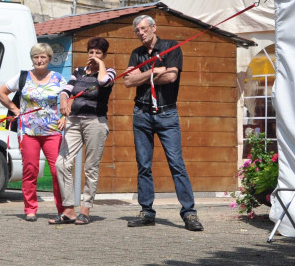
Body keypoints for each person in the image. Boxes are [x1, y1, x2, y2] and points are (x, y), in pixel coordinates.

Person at [123, 15, 203, 231]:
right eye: (137, 30)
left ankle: (189, 213)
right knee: (144, 165)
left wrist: (144, 75)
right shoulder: (136, 54)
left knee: (176, 164)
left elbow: (171, 77)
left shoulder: (170, 47)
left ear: (153, 28)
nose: (140, 33)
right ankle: (147, 212)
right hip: (142, 113)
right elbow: (128, 81)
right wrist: (153, 71)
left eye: (143, 28)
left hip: (167, 113)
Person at [0, 43, 67, 222]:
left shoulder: (58, 78)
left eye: (43, 57)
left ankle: (63, 209)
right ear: (32, 59)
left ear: (49, 59)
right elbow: (1, 92)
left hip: (52, 132)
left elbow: (70, 97)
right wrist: (14, 109)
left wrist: (65, 116)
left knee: (58, 170)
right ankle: (30, 208)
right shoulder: (23, 77)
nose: (39, 60)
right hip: (28, 131)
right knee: (30, 170)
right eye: (36, 57)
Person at [56, 37, 115, 225]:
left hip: (95, 122)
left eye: (98, 53)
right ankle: (69, 209)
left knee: (91, 167)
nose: (94, 56)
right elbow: (67, 90)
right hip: (74, 121)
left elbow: (104, 81)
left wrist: (100, 65)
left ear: (104, 55)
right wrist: (64, 101)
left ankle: (85, 209)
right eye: (91, 52)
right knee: (62, 163)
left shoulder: (110, 72)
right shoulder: (79, 71)